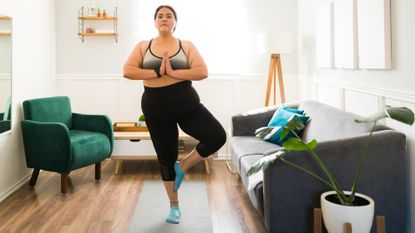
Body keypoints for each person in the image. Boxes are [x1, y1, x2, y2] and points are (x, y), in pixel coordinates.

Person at [123, 5, 226, 224]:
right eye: (160, 16)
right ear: (154, 22)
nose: (164, 18)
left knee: (217, 136)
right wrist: (158, 72)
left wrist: (172, 72)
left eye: (169, 16)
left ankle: (184, 166)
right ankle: (174, 207)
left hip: (187, 106)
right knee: (166, 159)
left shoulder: (186, 45)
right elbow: (128, 70)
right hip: (155, 108)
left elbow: (202, 71)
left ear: (175, 22)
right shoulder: (143, 46)